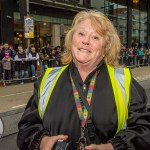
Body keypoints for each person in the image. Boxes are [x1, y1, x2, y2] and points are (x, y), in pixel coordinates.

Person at [17, 10, 150, 150]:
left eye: (95, 37)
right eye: (81, 34)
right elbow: (26, 126)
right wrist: (42, 141)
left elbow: (144, 129)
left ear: (106, 48)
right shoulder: (48, 79)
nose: (85, 41)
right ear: (71, 39)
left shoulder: (123, 81)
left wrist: (112, 147)